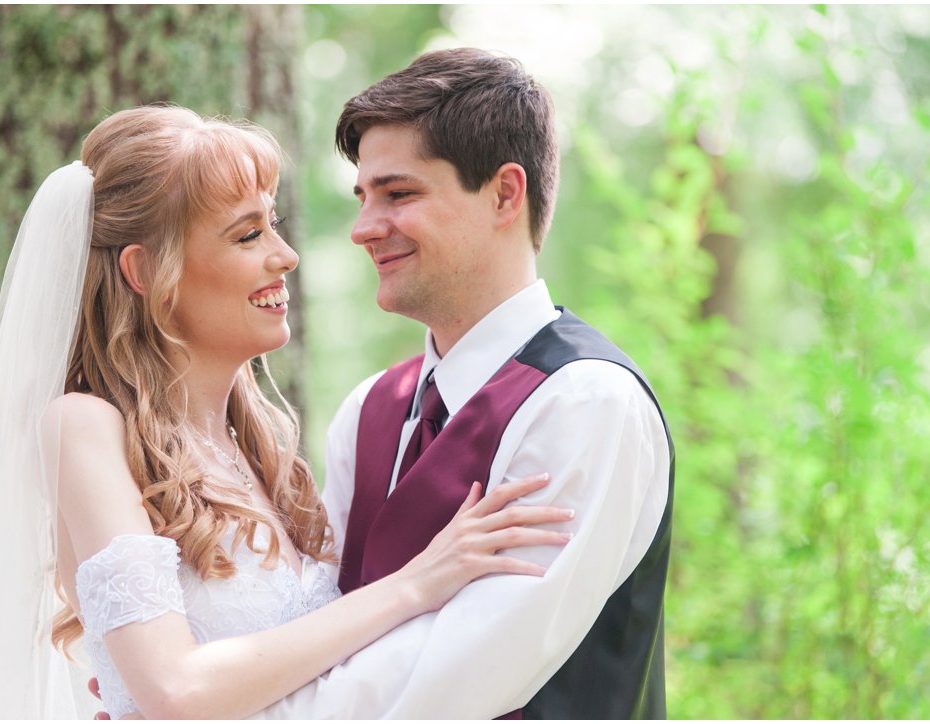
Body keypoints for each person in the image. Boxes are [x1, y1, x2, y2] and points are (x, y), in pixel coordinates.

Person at [0, 105, 575, 720]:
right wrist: (414, 585)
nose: (283, 256)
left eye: (274, 226)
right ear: (146, 272)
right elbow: (175, 689)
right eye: (247, 234)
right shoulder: (84, 425)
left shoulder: (262, 447)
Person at [246, 48, 675, 719]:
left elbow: (449, 680)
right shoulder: (371, 410)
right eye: (363, 197)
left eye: (399, 193)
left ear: (505, 193)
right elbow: (314, 618)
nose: (363, 229)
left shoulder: (585, 403)